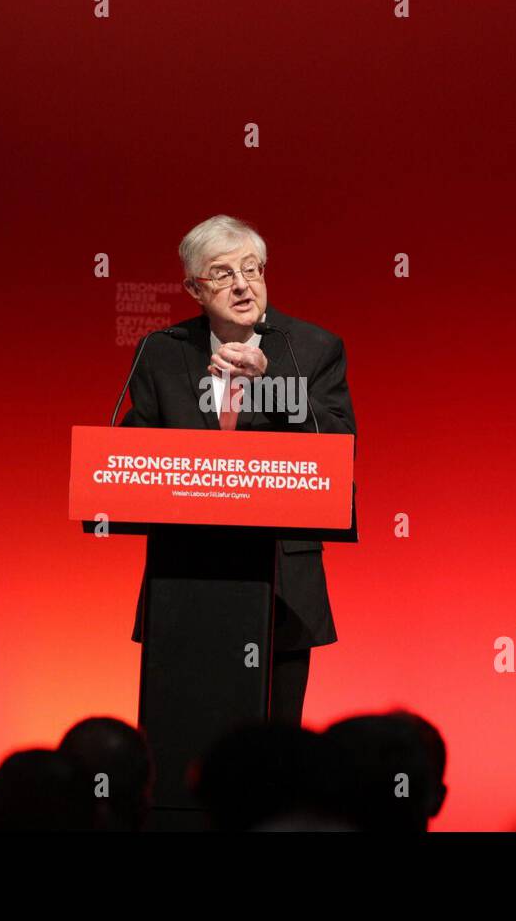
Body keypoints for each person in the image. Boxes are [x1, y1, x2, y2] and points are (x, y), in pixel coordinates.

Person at [120, 214, 357, 724]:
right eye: (223, 274)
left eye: (253, 269)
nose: (244, 285)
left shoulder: (311, 348)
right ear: (193, 288)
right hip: (185, 575)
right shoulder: (162, 352)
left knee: (271, 745)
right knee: (179, 734)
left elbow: (338, 446)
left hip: (280, 581)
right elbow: (132, 454)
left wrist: (272, 383)